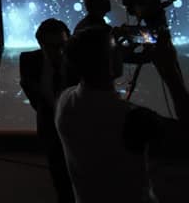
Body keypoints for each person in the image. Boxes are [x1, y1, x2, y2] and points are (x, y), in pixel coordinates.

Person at [55, 26, 189, 203]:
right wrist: (170, 72)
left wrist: (110, 46)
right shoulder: (132, 118)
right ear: (109, 64)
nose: (122, 50)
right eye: (116, 48)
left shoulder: (64, 101)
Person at [19, 19, 76, 203]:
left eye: (62, 45)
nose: (59, 51)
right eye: (52, 47)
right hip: (50, 127)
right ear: (41, 44)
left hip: (78, 128)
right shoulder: (28, 61)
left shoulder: (77, 62)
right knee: (59, 175)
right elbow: (30, 89)